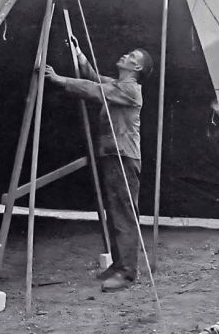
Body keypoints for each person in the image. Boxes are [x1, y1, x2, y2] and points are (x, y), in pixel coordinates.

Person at [44, 45, 153, 293]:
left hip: (124, 158)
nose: (125, 55)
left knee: (124, 215)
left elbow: (92, 88)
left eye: (131, 56)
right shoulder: (117, 84)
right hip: (114, 155)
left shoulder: (129, 89)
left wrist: (59, 79)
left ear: (137, 68)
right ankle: (119, 265)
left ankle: (127, 273)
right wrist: (79, 54)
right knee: (115, 213)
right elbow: (94, 78)